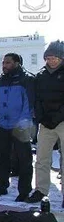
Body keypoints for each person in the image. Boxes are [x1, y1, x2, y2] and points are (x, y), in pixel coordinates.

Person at [0, 53, 34, 201]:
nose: (4, 65)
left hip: (20, 126)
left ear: (17, 63)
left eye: (8, 62)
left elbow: (29, 105)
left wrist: (22, 123)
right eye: (3, 62)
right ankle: (1, 187)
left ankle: (24, 191)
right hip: (2, 125)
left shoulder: (26, 79)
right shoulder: (1, 80)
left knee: (24, 160)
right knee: (1, 158)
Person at [26, 40, 64, 207]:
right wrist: (42, 118)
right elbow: (37, 100)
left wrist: (57, 117)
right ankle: (41, 189)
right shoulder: (40, 75)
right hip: (46, 123)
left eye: (54, 57)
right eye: (48, 57)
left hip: (62, 120)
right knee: (42, 158)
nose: (51, 60)